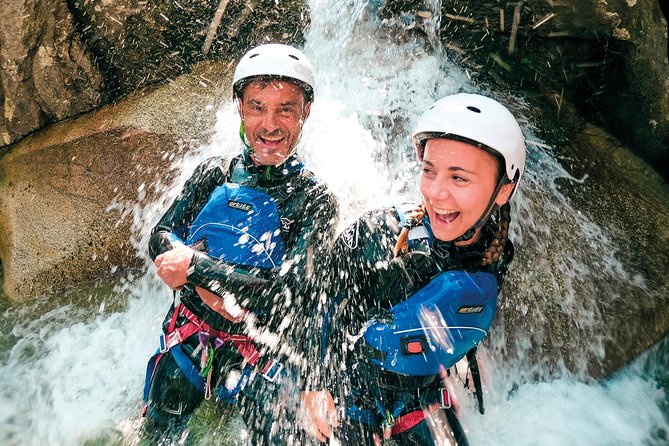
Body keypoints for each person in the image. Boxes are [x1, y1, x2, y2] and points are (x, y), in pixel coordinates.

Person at [141, 43, 339, 444]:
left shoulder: (315, 201)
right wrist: (199, 281)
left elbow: (290, 291)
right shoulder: (215, 173)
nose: (270, 125)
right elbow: (161, 236)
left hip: (263, 353)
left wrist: (197, 272)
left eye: (286, 108)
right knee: (156, 432)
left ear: (306, 112)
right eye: (257, 107)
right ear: (239, 108)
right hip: (191, 336)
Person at [302, 93, 526, 445]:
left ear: (503, 191)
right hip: (353, 391)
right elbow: (317, 300)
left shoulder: (496, 249)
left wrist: (467, 355)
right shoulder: (378, 235)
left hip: (423, 391)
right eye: (428, 171)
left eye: (459, 178)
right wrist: (314, 385)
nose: (436, 193)